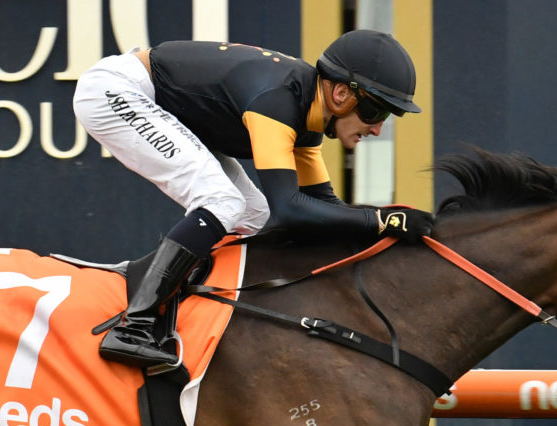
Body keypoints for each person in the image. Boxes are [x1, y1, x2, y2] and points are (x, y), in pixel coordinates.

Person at [73, 29, 435, 370]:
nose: (377, 128)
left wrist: (386, 226)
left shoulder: (307, 117)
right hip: (116, 90)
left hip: (158, 101)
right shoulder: (279, 101)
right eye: (376, 112)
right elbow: (289, 210)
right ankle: (133, 327)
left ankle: (200, 312)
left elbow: (323, 210)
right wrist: (379, 220)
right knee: (223, 202)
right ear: (340, 94)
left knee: (255, 218)